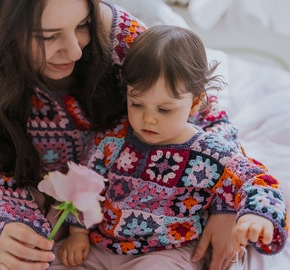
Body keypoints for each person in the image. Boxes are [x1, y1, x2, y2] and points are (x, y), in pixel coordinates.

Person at [0, 0, 272, 269]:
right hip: (26, 189)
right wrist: (4, 226)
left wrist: (226, 206)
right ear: (3, 33)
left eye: (82, 24)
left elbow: (204, 114)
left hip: (112, 201)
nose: (75, 50)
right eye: (48, 37)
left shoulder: (116, 33)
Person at [58, 25, 288, 270]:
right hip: (103, 245)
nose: (148, 119)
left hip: (167, 252)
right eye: (137, 104)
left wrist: (257, 215)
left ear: (195, 104)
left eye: (164, 109)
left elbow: (258, 180)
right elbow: (84, 184)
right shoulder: (112, 140)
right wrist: (77, 233)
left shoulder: (209, 153)